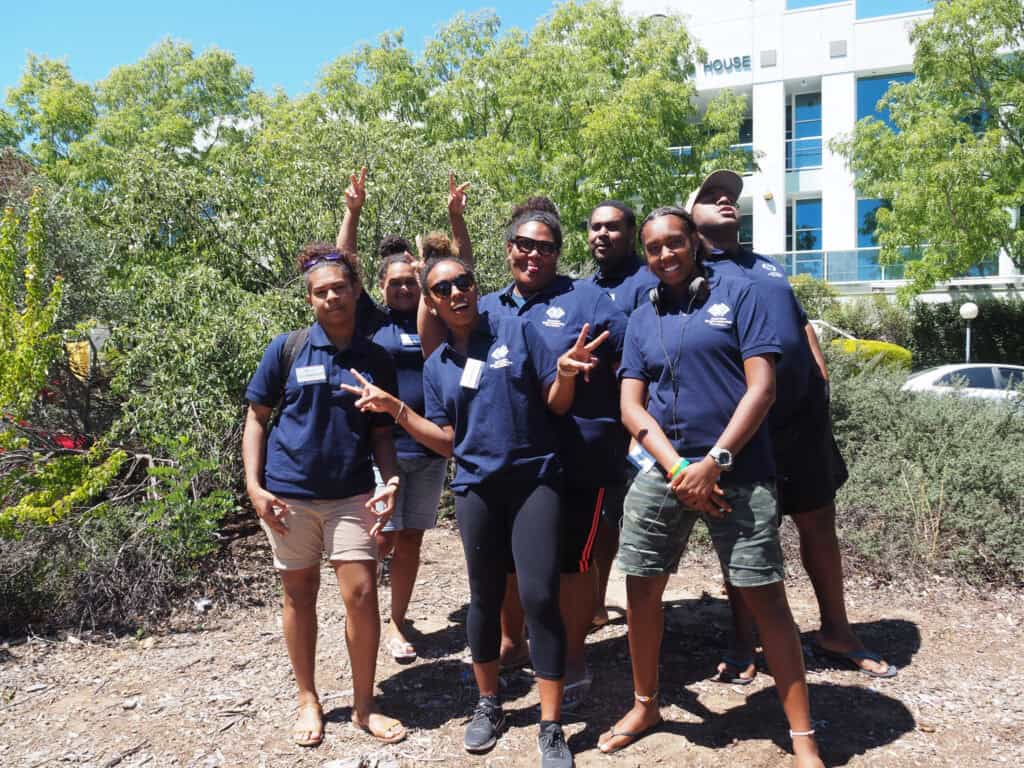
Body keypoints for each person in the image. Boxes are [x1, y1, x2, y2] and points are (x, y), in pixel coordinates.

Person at [343, 252, 608, 768]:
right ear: (432, 302)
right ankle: (489, 704)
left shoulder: (517, 331)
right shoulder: (439, 366)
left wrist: (568, 375)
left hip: (535, 481)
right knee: (484, 598)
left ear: (475, 284)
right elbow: (446, 441)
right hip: (476, 489)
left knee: (538, 596)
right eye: (443, 288)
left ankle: (551, 726)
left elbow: (554, 402)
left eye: (463, 281)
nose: (457, 292)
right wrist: (397, 409)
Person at [599, 206, 824, 768]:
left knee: (764, 596)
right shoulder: (642, 314)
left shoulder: (740, 295)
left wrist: (715, 461)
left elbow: (762, 389)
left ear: (694, 243)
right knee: (642, 586)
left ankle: (802, 740)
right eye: (653, 248)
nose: (665, 255)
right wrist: (679, 468)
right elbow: (630, 404)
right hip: (665, 472)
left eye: (674, 243)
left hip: (738, 472)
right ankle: (646, 704)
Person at [687, 170, 895, 681]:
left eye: (730, 196)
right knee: (744, 534)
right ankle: (743, 643)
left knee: (818, 521)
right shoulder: (689, 271)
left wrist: (820, 378)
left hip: (802, 421)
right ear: (690, 219)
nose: (725, 201)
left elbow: (800, 323)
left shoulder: (766, 265)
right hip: (743, 428)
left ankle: (836, 630)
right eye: (712, 197)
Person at [242, 242, 407, 748]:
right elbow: (256, 419)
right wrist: (254, 487)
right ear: (309, 299)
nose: (331, 297)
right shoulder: (286, 349)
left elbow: (382, 433)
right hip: (288, 496)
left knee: (360, 595)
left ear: (356, 290)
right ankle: (308, 698)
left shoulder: (375, 357)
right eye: (320, 292)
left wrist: (392, 479)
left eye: (339, 287)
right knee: (299, 595)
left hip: (352, 493)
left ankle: (363, 706)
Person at [477, 205, 629, 709]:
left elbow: (634, 362)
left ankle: (574, 657)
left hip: (582, 454)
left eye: (545, 247)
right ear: (508, 249)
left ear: (559, 253)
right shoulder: (486, 309)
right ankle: (515, 645)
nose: (533, 255)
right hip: (515, 462)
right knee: (514, 564)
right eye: (524, 244)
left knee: (572, 563)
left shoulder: (588, 300)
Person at [583, 200, 659, 629]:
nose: (602, 234)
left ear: (630, 233)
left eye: (612, 227)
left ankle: (624, 609)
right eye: (595, 227)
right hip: (596, 424)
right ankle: (591, 601)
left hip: (641, 427)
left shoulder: (647, 282)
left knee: (624, 519)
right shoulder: (587, 286)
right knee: (599, 515)